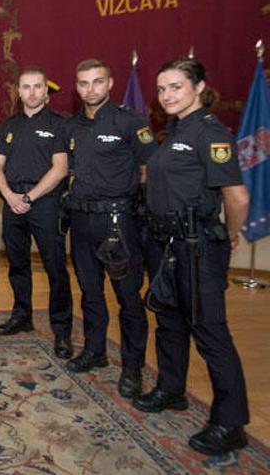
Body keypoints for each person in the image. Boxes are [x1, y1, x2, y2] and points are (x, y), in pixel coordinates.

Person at [134, 58, 250, 456]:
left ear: (198, 88)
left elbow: (237, 197)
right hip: (165, 244)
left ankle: (230, 422)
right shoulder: (175, 130)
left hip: (196, 246)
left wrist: (228, 236)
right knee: (169, 321)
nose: (167, 95)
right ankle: (171, 389)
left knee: (210, 332)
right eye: (162, 88)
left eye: (176, 87)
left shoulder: (211, 134)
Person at [63, 59, 157, 399]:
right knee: (89, 292)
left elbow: (150, 169)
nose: (91, 89)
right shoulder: (71, 127)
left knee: (128, 298)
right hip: (81, 220)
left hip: (119, 222)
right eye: (84, 83)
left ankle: (133, 368)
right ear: (77, 87)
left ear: (110, 83)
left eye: (97, 82)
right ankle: (95, 349)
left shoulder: (130, 122)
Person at [0, 67, 73, 358]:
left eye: (38, 87)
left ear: (46, 93)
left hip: (46, 203)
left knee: (55, 268)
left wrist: (29, 196)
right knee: (17, 264)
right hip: (13, 202)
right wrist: (10, 196)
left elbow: (60, 168)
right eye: (26, 87)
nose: (32, 92)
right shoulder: (8, 126)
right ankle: (21, 316)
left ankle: (62, 331)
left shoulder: (59, 124)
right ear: (19, 92)